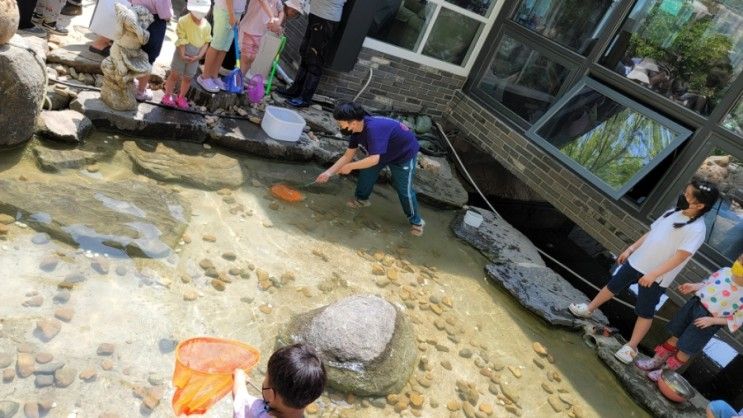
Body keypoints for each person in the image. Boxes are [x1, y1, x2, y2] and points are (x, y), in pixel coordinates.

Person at [569, 180, 720, 364]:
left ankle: (631, 346)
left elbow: (680, 257)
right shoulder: (673, 212)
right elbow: (651, 233)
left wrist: (654, 274)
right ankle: (589, 308)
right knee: (612, 286)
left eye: (688, 196)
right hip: (636, 261)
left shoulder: (697, 229)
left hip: (656, 276)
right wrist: (630, 249)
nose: (683, 196)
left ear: (700, 205)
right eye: (685, 192)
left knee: (645, 311)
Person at [315, 101, 425, 236]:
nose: (338, 125)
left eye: (340, 123)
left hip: (403, 155)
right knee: (366, 173)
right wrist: (328, 173)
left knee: (404, 190)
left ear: (352, 122)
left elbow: (373, 160)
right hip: (379, 152)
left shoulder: (373, 129)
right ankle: (362, 200)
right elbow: (347, 156)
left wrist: (350, 167)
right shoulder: (356, 131)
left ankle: (416, 221)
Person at [635, 252, 743, 381]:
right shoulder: (725, 271)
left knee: (686, 348)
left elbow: (737, 319)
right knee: (675, 337)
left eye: (742, 264)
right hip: (695, 305)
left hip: (709, 320)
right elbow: (708, 284)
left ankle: (664, 373)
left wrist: (713, 320)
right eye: (739, 259)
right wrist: (694, 286)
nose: (738, 264)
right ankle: (654, 362)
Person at [278, 0, 346, 108]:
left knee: (315, 58)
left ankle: (305, 98)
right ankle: (295, 90)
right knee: (305, 52)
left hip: (327, 17)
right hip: (316, 14)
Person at [232, 343, 326, 418]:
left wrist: (239, 376)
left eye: (266, 378)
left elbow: (240, 396)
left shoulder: (256, 411)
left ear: (271, 395)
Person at [161, 0, 212, 109]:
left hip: (195, 56)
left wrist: (199, 56)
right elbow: (181, 38)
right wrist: (182, 54)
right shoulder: (183, 21)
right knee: (174, 75)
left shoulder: (207, 26)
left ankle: (181, 97)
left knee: (188, 78)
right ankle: (167, 95)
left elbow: (206, 42)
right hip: (181, 52)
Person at [238, 0, 303, 78]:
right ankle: (239, 80)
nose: (293, 13)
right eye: (293, 11)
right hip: (248, 30)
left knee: (251, 58)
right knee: (246, 56)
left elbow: (281, 11)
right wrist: (272, 18)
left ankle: (240, 79)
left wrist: (277, 23)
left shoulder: (277, 1)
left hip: (259, 34)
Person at [197, 0, 247, 93]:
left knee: (224, 47)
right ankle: (205, 76)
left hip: (236, 12)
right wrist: (231, 14)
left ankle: (214, 75)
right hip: (225, 10)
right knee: (216, 45)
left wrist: (237, 14)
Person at [130, 0, 174, 102]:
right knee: (148, 58)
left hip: (135, 16)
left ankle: (129, 82)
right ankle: (140, 91)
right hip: (154, 22)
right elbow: (166, 14)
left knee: (132, 52)